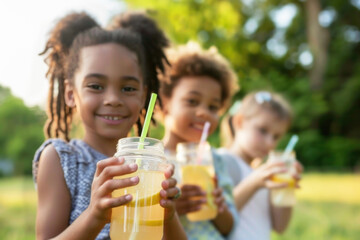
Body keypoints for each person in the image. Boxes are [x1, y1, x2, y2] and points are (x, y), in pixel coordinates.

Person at [32, 11, 186, 240]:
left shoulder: (153, 166)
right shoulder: (60, 158)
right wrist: (95, 215)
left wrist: (169, 215)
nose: (113, 98)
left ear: (144, 96)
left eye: (128, 88)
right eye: (95, 86)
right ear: (70, 94)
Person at [157, 41, 238, 240]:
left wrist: (219, 208)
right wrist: (171, 210)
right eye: (192, 101)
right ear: (165, 103)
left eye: (213, 107)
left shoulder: (214, 160)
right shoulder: (151, 160)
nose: (203, 112)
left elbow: (229, 227)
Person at [218, 91, 303, 240]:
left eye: (276, 136)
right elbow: (217, 217)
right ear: (239, 122)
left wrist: (285, 187)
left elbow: (280, 226)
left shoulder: (262, 174)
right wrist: (254, 182)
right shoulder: (223, 160)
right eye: (263, 130)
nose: (270, 142)